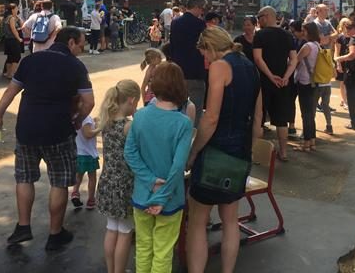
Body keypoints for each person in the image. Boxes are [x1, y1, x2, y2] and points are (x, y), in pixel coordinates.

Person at [0, 27, 95, 250]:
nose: (82, 49)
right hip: (58, 131)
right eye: (81, 45)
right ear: (71, 42)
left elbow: (11, 90)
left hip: (26, 129)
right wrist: (78, 120)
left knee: (24, 178)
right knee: (59, 182)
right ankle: (55, 234)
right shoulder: (75, 66)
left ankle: (23, 226)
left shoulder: (30, 60)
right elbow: (89, 102)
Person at [186, 27, 263, 273]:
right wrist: (248, 149)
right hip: (240, 151)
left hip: (216, 152)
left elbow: (211, 118)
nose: (206, 62)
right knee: (231, 220)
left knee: (197, 220)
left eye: (205, 55)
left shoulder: (220, 67)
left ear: (210, 47)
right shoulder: (250, 66)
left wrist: (193, 152)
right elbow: (258, 121)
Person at [123, 62, 193, 273]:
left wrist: (150, 181)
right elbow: (178, 166)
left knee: (143, 247)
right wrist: (161, 196)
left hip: (142, 195)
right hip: (170, 198)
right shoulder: (183, 123)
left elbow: (130, 153)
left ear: (154, 85)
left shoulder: (140, 116)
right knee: (163, 251)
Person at [96, 80, 141, 273]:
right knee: (125, 232)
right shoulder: (129, 126)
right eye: (136, 102)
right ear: (131, 100)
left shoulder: (106, 121)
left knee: (112, 228)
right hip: (125, 185)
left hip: (107, 181)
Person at [253, 6, 298, 161]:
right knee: (281, 120)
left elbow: (258, 58)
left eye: (259, 17)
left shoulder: (260, 35)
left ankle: (256, 154)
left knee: (259, 117)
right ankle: (283, 152)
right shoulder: (288, 35)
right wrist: (286, 77)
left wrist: (270, 76)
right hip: (283, 83)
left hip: (263, 81)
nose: (258, 21)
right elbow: (294, 59)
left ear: (266, 16)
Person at [170, 0, 207, 124]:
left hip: (178, 71)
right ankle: (193, 132)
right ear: (196, 7)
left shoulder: (175, 22)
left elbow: (172, 45)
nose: (202, 12)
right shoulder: (200, 24)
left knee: (177, 106)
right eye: (202, 9)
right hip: (195, 71)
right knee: (196, 109)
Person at [294, 22, 321, 151]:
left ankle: (306, 143)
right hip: (315, 81)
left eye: (303, 30)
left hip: (304, 81)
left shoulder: (307, 46)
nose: (302, 33)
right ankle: (312, 142)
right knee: (310, 113)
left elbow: (295, 60)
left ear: (308, 32)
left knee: (305, 114)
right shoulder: (317, 45)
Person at [70, 114, 100, 210]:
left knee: (78, 176)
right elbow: (88, 134)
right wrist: (99, 128)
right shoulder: (85, 118)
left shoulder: (75, 116)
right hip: (88, 153)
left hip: (78, 152)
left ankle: (75, 193)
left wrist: (95, 123)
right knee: (92, 178)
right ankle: (91, 200)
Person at [314, 3, 337, 115]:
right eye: (324, 10)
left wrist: (328, 38)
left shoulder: (328, 23)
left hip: (327, 53)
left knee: (327, 79)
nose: (327, 12)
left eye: (327, 10)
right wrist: (330, 38)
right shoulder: (315, 24)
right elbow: (321, 41)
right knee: (320, 79)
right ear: (318, 11)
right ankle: (317, 104)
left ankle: (325, 103)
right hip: (319, 54)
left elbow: (336, 34)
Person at [334, 18, 351, 111]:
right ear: (342, 25)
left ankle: (344, 99)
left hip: (351, 63)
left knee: (349, 83)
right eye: (346, 24)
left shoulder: (353, 37)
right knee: (343, 83)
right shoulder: (340, 37)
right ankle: (345, 101)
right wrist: (338, 64)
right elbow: (336, 52)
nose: (347, 26)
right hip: (342, 62)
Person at [3, 3, 23, 80]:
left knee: (10, 57)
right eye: (16, 8)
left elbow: (22, 25)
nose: (17, 9)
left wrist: (18, 17)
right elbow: (13, 29)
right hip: (13, 40)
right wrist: (18, 38)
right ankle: (12, 73)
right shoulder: (11, 18)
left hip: (7, 40)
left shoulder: (7, 17)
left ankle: (8, 73)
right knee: (16, 57)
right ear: (12, 9)